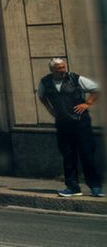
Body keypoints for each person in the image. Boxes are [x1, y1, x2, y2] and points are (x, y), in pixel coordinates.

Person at [36, 57, 101, 197]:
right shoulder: (45, 82)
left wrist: (87, 103)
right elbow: (41, 97)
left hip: (81, 123)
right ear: (52, 70)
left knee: (87, 155)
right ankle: (73, 188)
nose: (63, 70)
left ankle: (95, 186)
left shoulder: (74, 78)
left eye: (64, 66)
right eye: (59, 68)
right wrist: (50, 110)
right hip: (63, 125)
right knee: (68, 156)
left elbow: (96, 89)